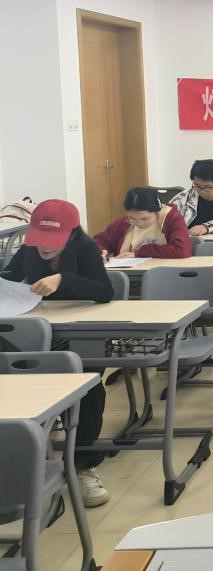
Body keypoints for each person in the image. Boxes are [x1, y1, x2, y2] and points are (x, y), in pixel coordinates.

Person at [0, 199, 114, 507]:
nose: (44, 247)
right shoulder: (28, 251)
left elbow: (105, 291)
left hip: (77, 335)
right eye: (39, 239)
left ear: (72, 234)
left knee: (86, 384)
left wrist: (63, 280)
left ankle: (83, 465)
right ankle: (21, 455)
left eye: (52, 240)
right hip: (36, 335)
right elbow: (9, 281)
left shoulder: (86, 250)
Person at [93, 187, 191, 260]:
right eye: (132, 218)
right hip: (130, 273)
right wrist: (101, 251)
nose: (139, 223)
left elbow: (181, 250)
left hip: (163, 273)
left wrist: (140, 253)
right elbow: (101, 240)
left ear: (157, 212)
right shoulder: (124, 223)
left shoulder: (172, 219)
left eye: (145, 219)